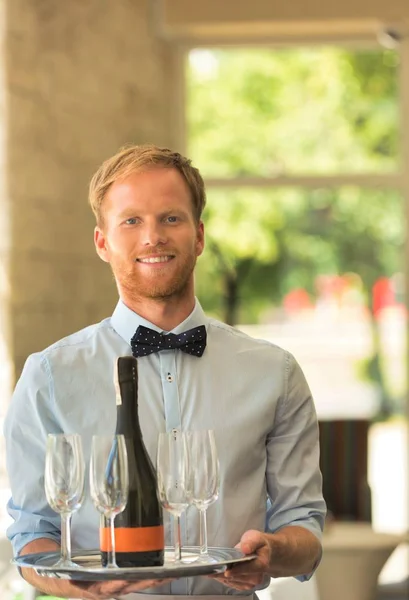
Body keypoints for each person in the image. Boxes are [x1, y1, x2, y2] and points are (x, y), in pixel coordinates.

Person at [4, 144, 326, 600]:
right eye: (131, 221)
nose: (152, 237)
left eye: (170, 218)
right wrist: (79, 589)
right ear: (102, 242)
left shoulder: (276, 373)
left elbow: (305, 530)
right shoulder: (49, 376)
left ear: (198, 235)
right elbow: (32, 532)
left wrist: (274, 550)